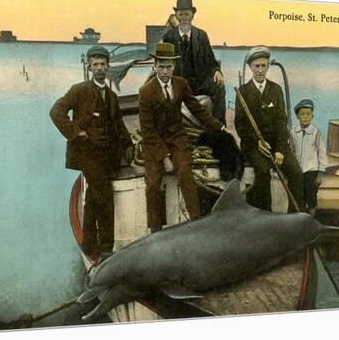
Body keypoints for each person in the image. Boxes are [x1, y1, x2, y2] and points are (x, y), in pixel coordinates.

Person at [50, 45, 134, 256]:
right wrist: (75, 132)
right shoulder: (79, 90)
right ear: (89, 67)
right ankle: (106, 248)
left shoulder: (112, 96)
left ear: (108, 67)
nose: (99, 68)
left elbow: (118, 124)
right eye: (94, 64)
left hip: (108, 155)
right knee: (104, 197)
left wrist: (128, 143)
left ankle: (88, 243)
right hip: (87, 154)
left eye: (102, 64)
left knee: (94, 200)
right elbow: (56, 111)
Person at [139, 42, 228, 231]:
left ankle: (195, 223)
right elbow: (147, 130)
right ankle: (155, 231)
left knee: (186, 174)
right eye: (161, 66)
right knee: (153, 184)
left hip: (177, 140)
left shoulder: (180, 84)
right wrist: (165, 158)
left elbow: (197, 109)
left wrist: (219, 127)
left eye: (169, 66)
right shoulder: (145, 92)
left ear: (174, 66)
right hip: (154, 144)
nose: (165, 71)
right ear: (154, 66)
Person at [235, 46, 305, 212]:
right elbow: (240, 125)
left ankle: (295, 217)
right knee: (263, 172)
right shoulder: (243, 92)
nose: (260, 70)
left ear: (268, 66)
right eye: (256, 66)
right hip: (253, 145)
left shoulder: (276, 89)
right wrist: (257, 142)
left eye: (263, 66)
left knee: (296, 172)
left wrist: (280, 149)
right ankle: (263, 215)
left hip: (277, 144)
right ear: (251, 67)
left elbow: (282, 122)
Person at [163, 0, 227, 126]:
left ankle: (220, 126)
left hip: (199, 83)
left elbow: (210, 59)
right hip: (179, 82)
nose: (184, 18)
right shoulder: (169, 36)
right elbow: (165, 62)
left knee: (219, 87)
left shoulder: (202, 35)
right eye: (180, 15)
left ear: (192, 15)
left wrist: (217, 71)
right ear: (176, 15)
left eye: (187, 14)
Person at [290, 99, 327, 214]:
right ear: (297, 116)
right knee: (298, 195)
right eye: (302, 114)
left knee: (311, 195)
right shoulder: (293, 132)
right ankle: (300, 218)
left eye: (308, 114)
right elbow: (291, 151)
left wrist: (320, 174)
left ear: (312, 116)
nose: (305, 117)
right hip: (297, 171)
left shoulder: (315, 132)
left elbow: (322, 153)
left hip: (311, 170)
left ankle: (311, 218)